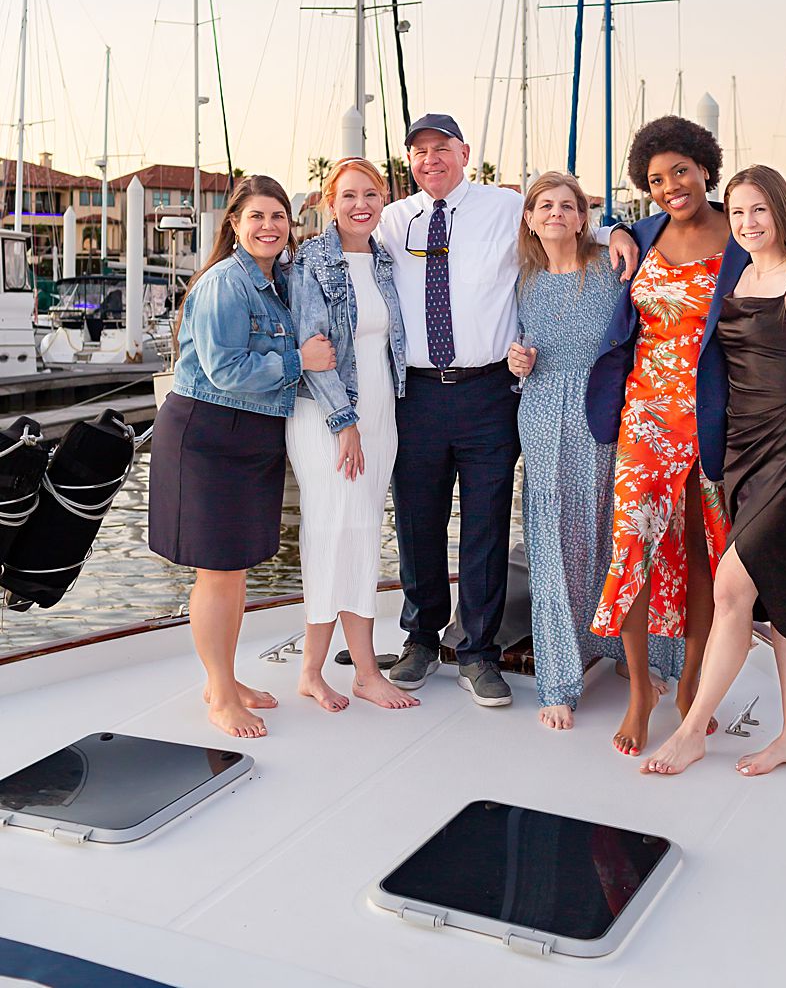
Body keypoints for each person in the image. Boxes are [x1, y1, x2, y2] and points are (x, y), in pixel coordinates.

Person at [380, 114, 639, 707]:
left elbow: (566, 228)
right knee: (417, 519)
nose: (430, 160)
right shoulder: (395, 220)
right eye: (419, 152)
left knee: (488, 522)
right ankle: (420, 639)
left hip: (488, 391)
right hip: (416, 392)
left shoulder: (504, 206)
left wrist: (617, 228)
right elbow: (346, 248)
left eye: (441, 149)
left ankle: (477, 651)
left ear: (464, 152)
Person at [642, 164, 786, 778]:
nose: (746, 222)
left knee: (733, 586)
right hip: (741, 451)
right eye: (736, 213)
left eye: (758, 210)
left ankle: (690, 732)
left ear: (781, 211)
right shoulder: (740, 274)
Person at [149, 176, 335, 739]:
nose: (269, 226)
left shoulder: (276, 281)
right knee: (217, 571)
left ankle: (222, 679)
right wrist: (299, 361)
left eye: (279, 216)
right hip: (209, 435)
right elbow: (224, 369)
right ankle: (221, 695)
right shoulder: (225, 284)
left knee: (236, 569)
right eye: (257, 216)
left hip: (250, 434)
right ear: (234, 223)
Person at [584, 117, 745, 756]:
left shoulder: (743, 237)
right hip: (643, 416)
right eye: (654, 179)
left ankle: (692, 685)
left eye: (680, 170)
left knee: (709, 556)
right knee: (634, 549)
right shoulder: (641, 236)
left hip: (713, 418)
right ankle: (641, 691)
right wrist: (617, 227)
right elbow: (576, 229)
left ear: (706, 165)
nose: (671, 186)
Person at [509, 170, 656, 729]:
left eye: (567, 205)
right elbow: (513, 345)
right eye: (544, 205)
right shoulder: (521, 279)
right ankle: (558, 679)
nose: (555, 214)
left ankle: (620, 649)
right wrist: (514, 362)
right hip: (544, 411)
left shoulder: (611, 266)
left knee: (610, 529)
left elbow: (665, 229)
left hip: (607, 411)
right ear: (529, 217)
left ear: (582, 215)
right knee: (551, 539)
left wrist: (621, 227)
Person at [287, 157, 418, 714]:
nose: (360, 204)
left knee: (360, 530)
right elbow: (314, 349)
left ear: (382, 198)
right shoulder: (311, 261)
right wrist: (344, 425)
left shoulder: (384, 259)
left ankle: (348, 670)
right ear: (328, 202)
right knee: (332, 529)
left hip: (381, 413)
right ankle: (329, 671)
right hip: (330, 417)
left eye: (370, 194)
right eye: (348, 196)